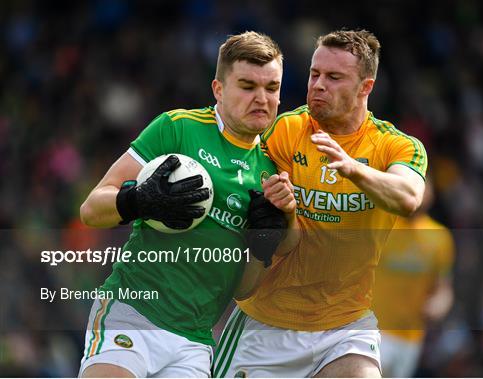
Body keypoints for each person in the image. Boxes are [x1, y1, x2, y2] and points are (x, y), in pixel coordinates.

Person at [78, 31, 297, 378]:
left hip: (194, 342)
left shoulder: (269, 175)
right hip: (132, 312)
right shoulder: (177, 128)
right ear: (219, 89)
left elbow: (243, 289)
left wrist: (262, 246)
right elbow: (92, 209)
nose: (261, 98)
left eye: (271, 88)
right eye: (247, 85)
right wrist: (139, 200)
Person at [214, 29, 427, 378]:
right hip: (266, 324)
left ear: (365, 87)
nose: (318, 85)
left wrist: (353, 169)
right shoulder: (285, 129)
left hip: (345, 326)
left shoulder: (395, 146)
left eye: (334, 77)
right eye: (315, 74)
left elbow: (407, 197)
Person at [373, 179, 454, 377]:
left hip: (411, 338)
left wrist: (440, 304)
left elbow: (443, 287)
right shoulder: (382, 225)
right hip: (374, 332)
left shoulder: (440, 238)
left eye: (426, 184)